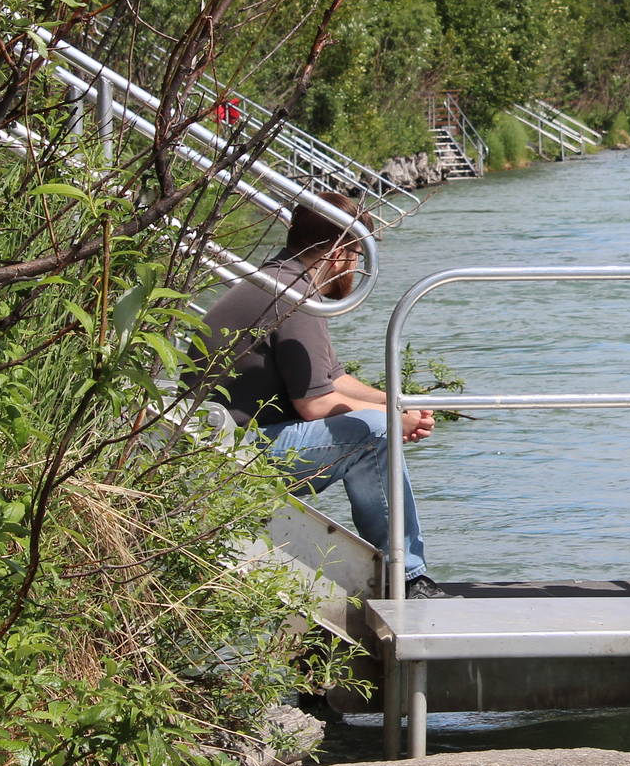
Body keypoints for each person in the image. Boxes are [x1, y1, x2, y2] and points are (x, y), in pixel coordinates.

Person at [186, 193, 447, 598]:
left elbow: (332, 378)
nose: (356, 267)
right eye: (358, 255)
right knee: (375, 433)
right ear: (340, 251)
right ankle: (408, 577)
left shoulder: (279, 280)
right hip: (230, 454)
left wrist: (396, 402)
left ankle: (404, 572)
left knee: (380, 421)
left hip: (219, 443)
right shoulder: (292, 295)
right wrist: (393, 422)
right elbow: (316, 405)